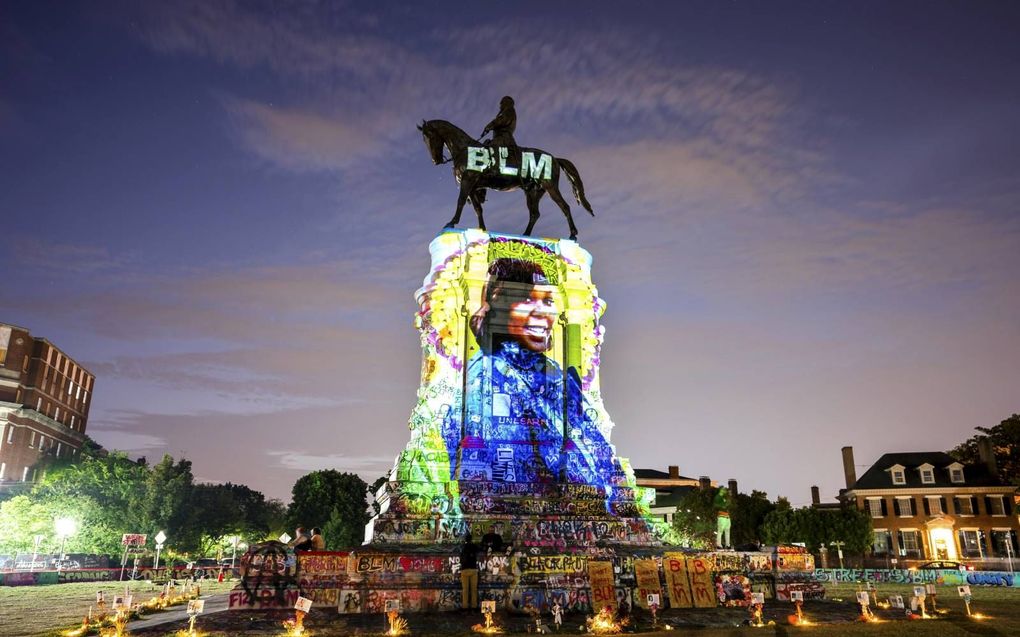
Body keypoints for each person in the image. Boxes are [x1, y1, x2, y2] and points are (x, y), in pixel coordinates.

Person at [450, 257, 617, 489]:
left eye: (548, 300)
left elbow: (593, 444)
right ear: (498, 305)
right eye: (527, 300)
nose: (542, 313)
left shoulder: (559, 376)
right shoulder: (483, 374)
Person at [459, 532, 480, 610]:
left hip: (464, 570)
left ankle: (465, 607)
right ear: (471, 539)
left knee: (465, 590)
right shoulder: (474, 546)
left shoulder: (462, 547)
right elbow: (480, 549)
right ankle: (474, 607)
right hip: (473, 569)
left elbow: (461, 558)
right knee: (474, 590)